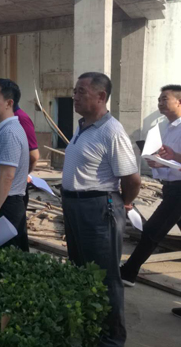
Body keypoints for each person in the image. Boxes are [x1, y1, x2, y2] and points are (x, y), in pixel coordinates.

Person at [62, 72, 141, 347]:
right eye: (75, 91)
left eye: (81, 92)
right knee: (81, 268)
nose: (74, 96)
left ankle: (112, 338)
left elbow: (132, 180)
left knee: (105, 274)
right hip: (75, 206)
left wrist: (123, 203)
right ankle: (90, 327)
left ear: (101, 96)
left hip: (98, 208)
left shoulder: (112, 131)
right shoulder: (83, 126)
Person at [120, 85, 181, 318]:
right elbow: (170, 161)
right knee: (154, 230)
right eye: (159, 99)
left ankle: (129, 272)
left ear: (179, 102)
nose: (160, 102)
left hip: (179, 190)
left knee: (152, 230)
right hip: (171, 187)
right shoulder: (165, 128)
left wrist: (173, 156)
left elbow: (176, 158)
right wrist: (157, 162)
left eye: (165, 99)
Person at [0, 78, 30, 251]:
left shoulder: (10, 133)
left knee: (7, 257)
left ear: (9, 103)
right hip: (1, 202)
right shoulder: (2, 130)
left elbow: (7, 175)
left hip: (5, 206)